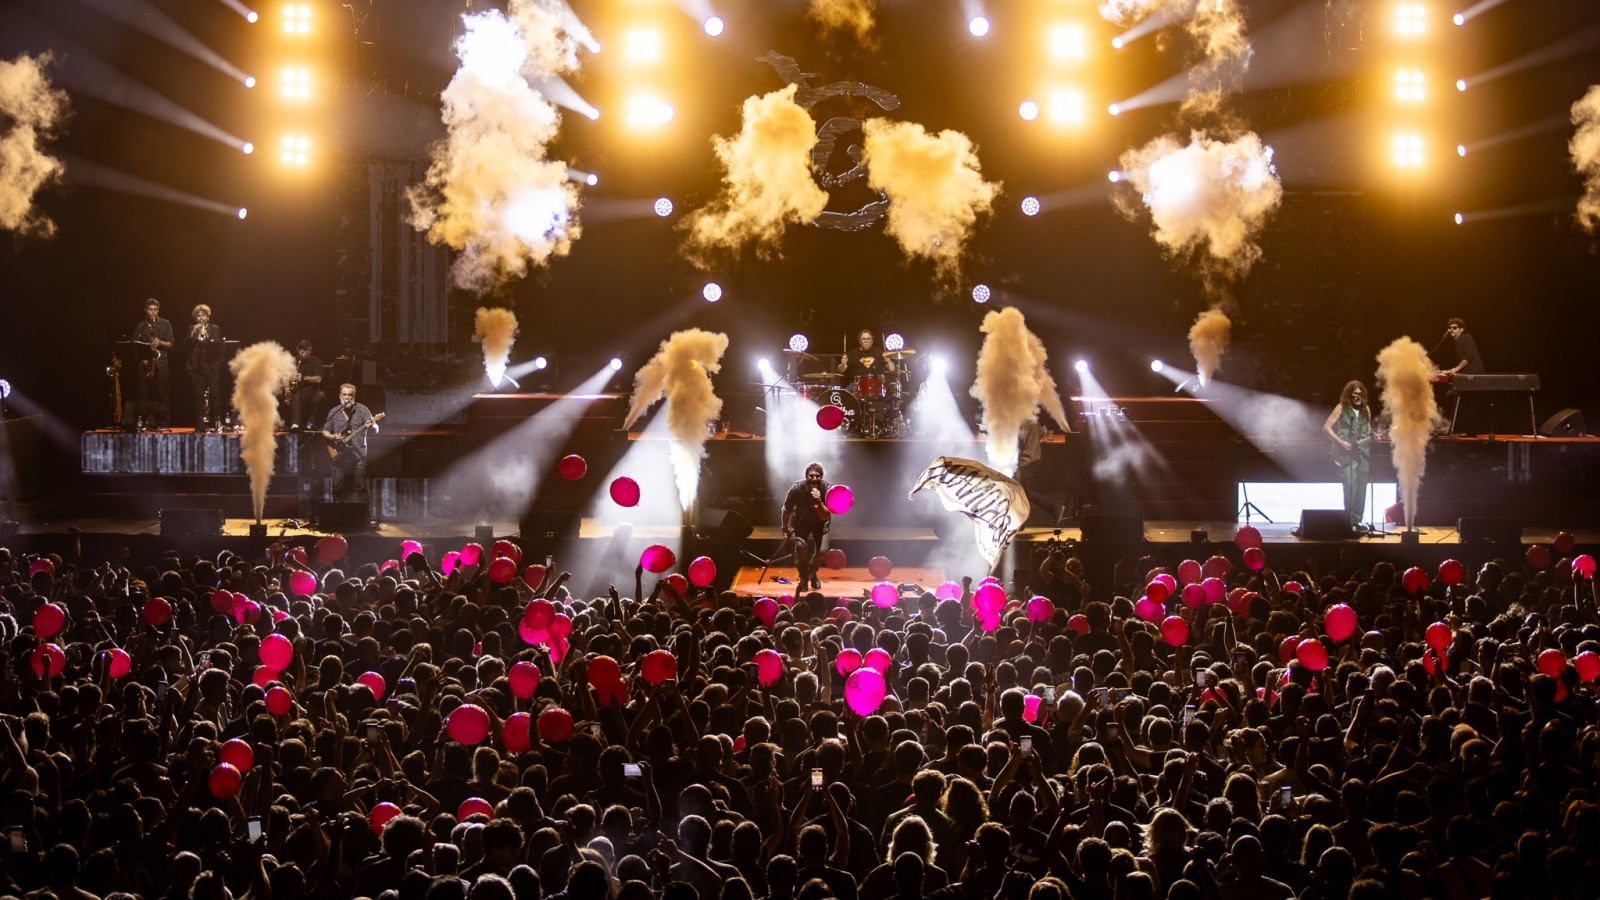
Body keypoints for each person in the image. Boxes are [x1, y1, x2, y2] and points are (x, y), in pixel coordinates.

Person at [1322, 380, 1371, 531]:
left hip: (1363, 451)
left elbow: (1368, 430)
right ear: (1349, 394)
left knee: (1362, 485)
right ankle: (1348, 519)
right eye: (1355, 394)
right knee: (1350, 484)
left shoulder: (1366, 409)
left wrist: (1372, 435)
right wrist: (1340, 442)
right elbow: (1326, 427)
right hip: (1346, 451)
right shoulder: (1341, 407)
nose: (1358, 396)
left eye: (1360, 394)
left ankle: (1357, 519)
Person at [321, 383, 380, 505]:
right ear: (340, 396)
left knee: (361, 486)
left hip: (359, 455)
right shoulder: (334, 411)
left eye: (350, 395)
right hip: (340, 454)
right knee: (337, 486)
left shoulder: (362, 410)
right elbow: (325, 431)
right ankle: (339, 518)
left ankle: (365, 519)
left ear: (354, 397)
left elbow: (376, 429)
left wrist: (372, 426)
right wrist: (333, 436)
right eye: (344, 394)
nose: (347, 397)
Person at [781, 462, 832, 591]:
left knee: (822, 552)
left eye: (818, 476)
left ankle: (812, 573)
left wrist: (819, 500)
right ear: (806, 476)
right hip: (801, 521)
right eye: (811, 476)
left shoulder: (827, 490)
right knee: (799, 547)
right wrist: (785, 528)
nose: (814, 479)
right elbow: (786, 510)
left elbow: (824, 515)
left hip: (821, 522)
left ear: (822, 477)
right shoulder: (796, 489)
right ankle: (804, 577)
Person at [129, 298, 173, 431]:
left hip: (161, 361)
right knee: (143, 393)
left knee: (163, 393)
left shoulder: (165, 324)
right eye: (150, 309)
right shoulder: (140, 326)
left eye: (155, 309)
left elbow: (171, 344)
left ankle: (163, 422)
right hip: (144, 362)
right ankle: (143, 421)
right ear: (145, 310)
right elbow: (134, 345)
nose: (153, 312)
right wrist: (143, 359)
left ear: (158, 310)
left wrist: (160, 342)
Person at [185, 304, 224, 431]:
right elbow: (185, 345)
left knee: (215, 396)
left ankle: (217, 421)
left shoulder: (215, 328)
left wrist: (207, 336)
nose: (201, 318)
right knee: (198, 396)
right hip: (197, 367)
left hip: (211, 366)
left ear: (208, 317)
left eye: (203, 315)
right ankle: (200, 423)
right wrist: (192, 333)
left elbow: (219, 346)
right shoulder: (192, 328)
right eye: (198, 315)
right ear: (195, 318)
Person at [287, 339, 326, 432]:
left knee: (321, 396)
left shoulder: (316, 362)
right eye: (300, 348)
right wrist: (288, 382)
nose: (302, 351)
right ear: (297, 349)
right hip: (296, 390)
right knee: (296, 394)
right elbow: (284, 376)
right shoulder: (293, 360)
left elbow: (319, 379)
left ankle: (310, 422)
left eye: (304, 349)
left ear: (310, 350)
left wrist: (304, 378)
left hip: (311, 390)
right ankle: (295, 424)